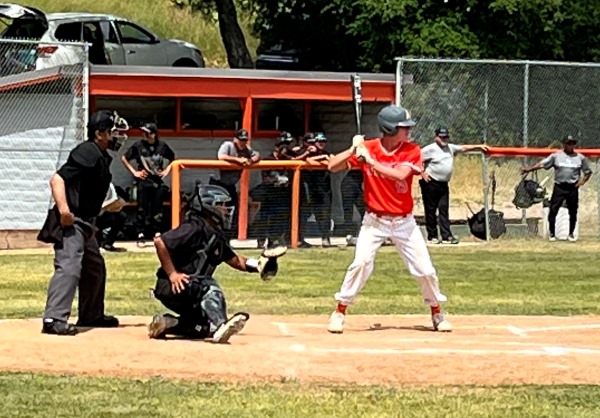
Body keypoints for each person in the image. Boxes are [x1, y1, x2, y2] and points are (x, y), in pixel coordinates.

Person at [325, 105, 452, 334]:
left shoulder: (412, 150)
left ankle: (436, 312)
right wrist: (354, 149)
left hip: (404, 222)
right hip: (374, 221)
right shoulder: (369, 148)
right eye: (404, 128)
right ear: (390, 128)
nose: (409, 131)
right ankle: (339, 312)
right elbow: (332, 167)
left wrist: (371, 162)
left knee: (425, 270)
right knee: (361, 264)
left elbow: (400, 175)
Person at [147, 184, 287, 343]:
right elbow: (160, 242)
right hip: (174, 286)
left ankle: (168, 323)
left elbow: (236, 260)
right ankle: (221, 325)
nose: (226, 210)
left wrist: (260, 264)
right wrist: (172, 274)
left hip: (190, 291)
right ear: (208, 207)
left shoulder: (214, 235)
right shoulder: (194, 227)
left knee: (202, 327)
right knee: (209, 285)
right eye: (221, 205)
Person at [36, 110, 128, 335]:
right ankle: (53, 319)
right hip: (72, 222)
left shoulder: (100, 155)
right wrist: (64, 211)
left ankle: (91, 314)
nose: (116, 136)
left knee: (94, 267)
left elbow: (87, 195)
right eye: (112, 132)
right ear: (99, 133)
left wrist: (108, 207)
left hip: (86, 223)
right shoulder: (87, 151)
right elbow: (57, 179)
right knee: (69, 266)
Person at [420, 127, 489, 244]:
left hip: (443, 183)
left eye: (446, 137)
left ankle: (446, 236)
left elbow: (463, 148)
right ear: (436, 137)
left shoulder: (450, 148)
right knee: (430, 210)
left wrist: (479, 146)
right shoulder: (429, 149)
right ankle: (432, 236)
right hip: (431, 183)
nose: (444, 139)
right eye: (441, 137)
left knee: (443, 209)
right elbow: (416, 159)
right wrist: (422, 173)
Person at [520, 135, 593, 242]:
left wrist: (581, 182)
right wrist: (528, 170)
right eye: (568, 143)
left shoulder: (580, 158)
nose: (571, 145)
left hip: (572, 188)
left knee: (572, 211)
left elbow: (588, 172)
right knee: (553, 210)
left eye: (573, 143)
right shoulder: (556, 156)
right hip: (559, 187)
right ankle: (552, 234)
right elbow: (542, 164)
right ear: (564, 144)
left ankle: (571, 234)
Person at [121, 123, 175, 247]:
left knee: (157, 209)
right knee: (141, 209)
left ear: (153, 134)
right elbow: (124, 158)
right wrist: (135, 172)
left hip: (157, 182)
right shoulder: (138, 146)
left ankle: (157, 234)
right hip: (143, 181)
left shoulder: (162, 146)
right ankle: (140, 235)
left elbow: (173, 158)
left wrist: (166, 170)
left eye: (146, 132)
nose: (143, 135)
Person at [213, 129, 261, 238]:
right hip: (218, 183)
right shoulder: (228, 145)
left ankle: (229, 235)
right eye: (241, 140)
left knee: (232, 209)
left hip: (230, 185)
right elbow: (221, 156)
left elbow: (257, 155)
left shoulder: (246, 149)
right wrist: (238, 160)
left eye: (245, 140)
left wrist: (250, 161)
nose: (243, 143)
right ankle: (217, 235)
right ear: (235, 139)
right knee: (217, 210)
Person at [304, 132, 334, 247]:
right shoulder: (311, 153)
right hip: (313, 189)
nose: (321, 144)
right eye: (319, 142)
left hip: (325, 189)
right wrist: (322, 158)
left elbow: (332, 162)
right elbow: (309, 161)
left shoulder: (327, 153)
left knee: (326, 214)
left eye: (323, 142)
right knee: (315, 214)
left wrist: (325, 158)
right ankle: (299, 238)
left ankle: (325, 238)